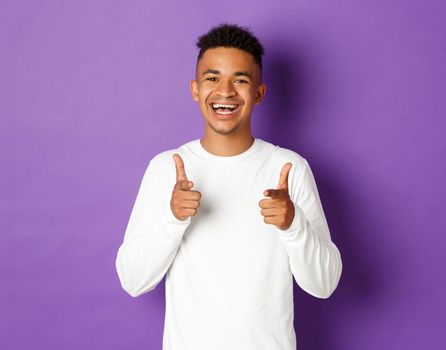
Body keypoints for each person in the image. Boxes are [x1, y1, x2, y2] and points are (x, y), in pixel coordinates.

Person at [115, 23, 342, 350]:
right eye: (212, 78)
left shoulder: (289, 169)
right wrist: (172, 219)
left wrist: (293, 225)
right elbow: (133, 280)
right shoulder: (166, 169)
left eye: (240, 80)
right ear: (195, 89)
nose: (225, 91)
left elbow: (324, 284)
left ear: (259, 93)